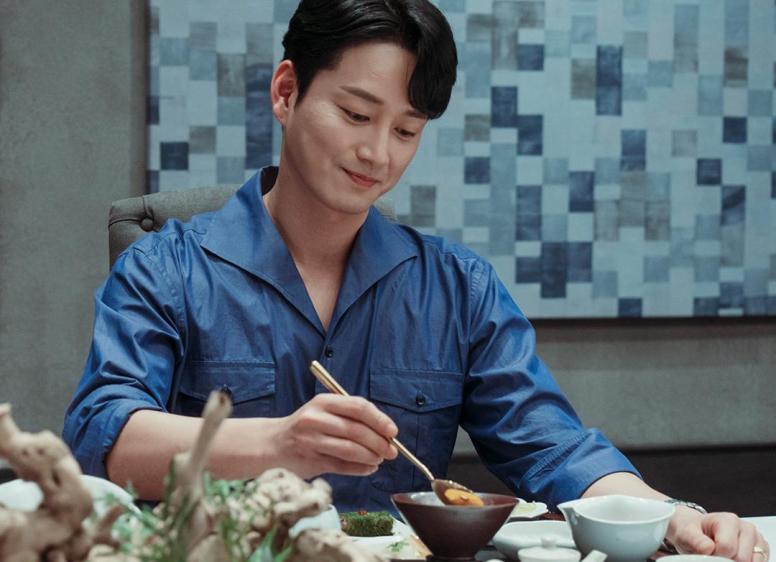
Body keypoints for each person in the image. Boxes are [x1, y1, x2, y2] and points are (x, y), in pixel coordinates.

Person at [63, 1, 768, 560]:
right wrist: (278, 445)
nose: (377, 153)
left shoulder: (458, 288)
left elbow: (552, 445)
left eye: (406, 131)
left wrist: (670, 515)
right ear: (286, 92)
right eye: (356, 114)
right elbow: (103, 439)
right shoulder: (166, 268)